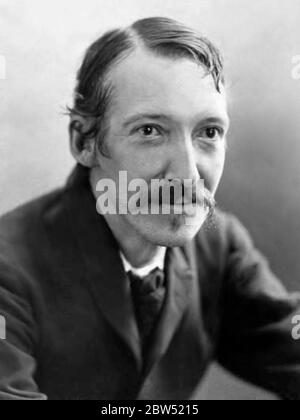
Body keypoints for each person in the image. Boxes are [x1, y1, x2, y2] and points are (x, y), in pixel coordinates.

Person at [0, 17, 299, 400]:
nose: (188, 174)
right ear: (83, 142)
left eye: (208, 132)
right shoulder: (9, 269)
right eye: (150, 131)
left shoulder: (218, 246)